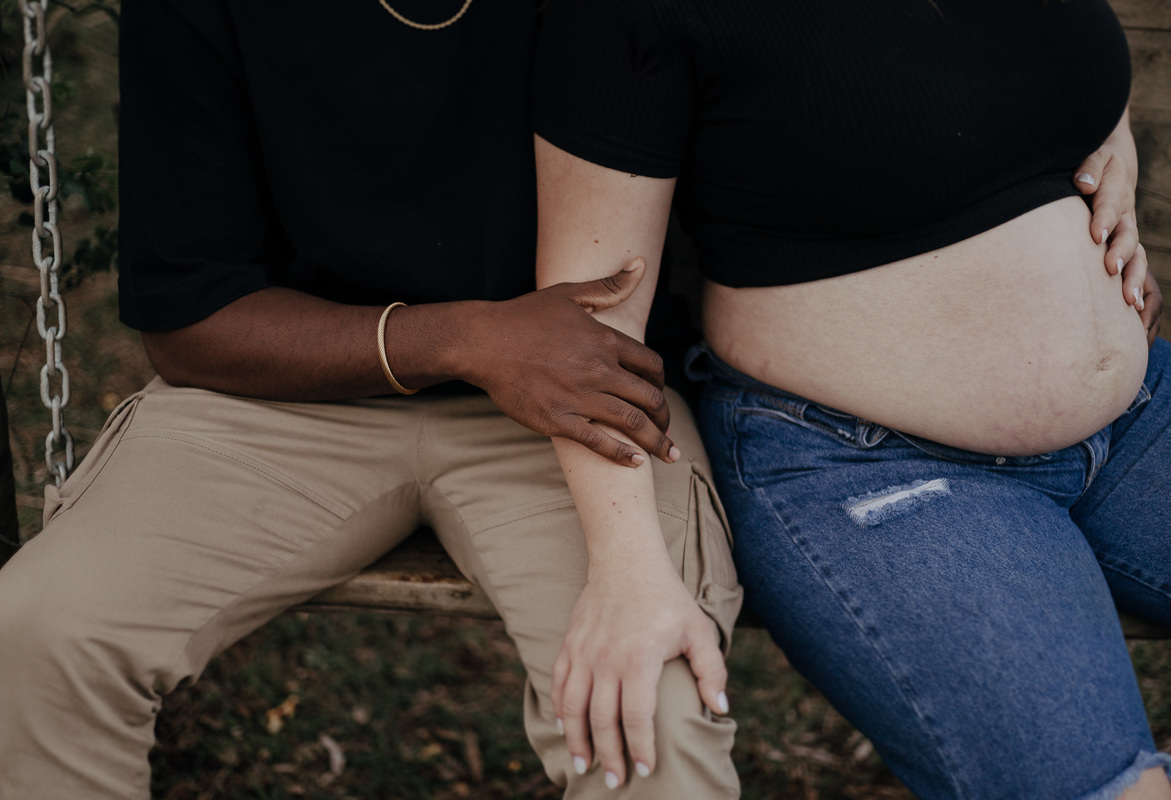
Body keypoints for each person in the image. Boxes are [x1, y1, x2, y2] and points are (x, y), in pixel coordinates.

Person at [0, 1, 742, 798]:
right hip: (288, 393)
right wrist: (463, 339)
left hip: (576, 398)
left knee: (650, 713)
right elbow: (190, 319)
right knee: (41, 633)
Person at [530, 0, 1171, 797]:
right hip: (865, 466)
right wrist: (628, 567)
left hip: (1140, 413)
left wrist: (1100, 129)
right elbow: (589, 321)